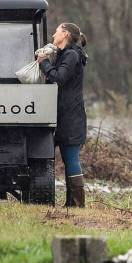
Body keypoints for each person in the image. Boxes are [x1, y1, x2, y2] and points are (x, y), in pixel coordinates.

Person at [37, 22, 88, 208]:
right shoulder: (67, 54)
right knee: (68, 157)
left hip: (71, 116)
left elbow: (59, 77)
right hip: (65, 114)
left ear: (65, 34)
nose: (53, 35)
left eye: (56, 32)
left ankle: (77, 203)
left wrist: (44, 63)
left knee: (71, 157)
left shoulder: (72, 55)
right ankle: (72, 203)